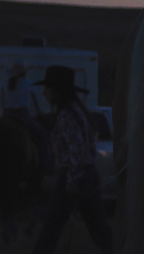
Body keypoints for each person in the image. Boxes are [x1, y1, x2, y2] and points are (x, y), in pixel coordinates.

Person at [29, 65, 112, 254]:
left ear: (57, 91)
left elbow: (77, 150)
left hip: (71, 176)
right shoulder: (78, 111)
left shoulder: (66, 115)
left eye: (47, 89)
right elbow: (87, 147)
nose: (44, 93)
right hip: (87, 175)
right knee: (100, 230)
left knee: (50, 228)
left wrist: (72, 183)